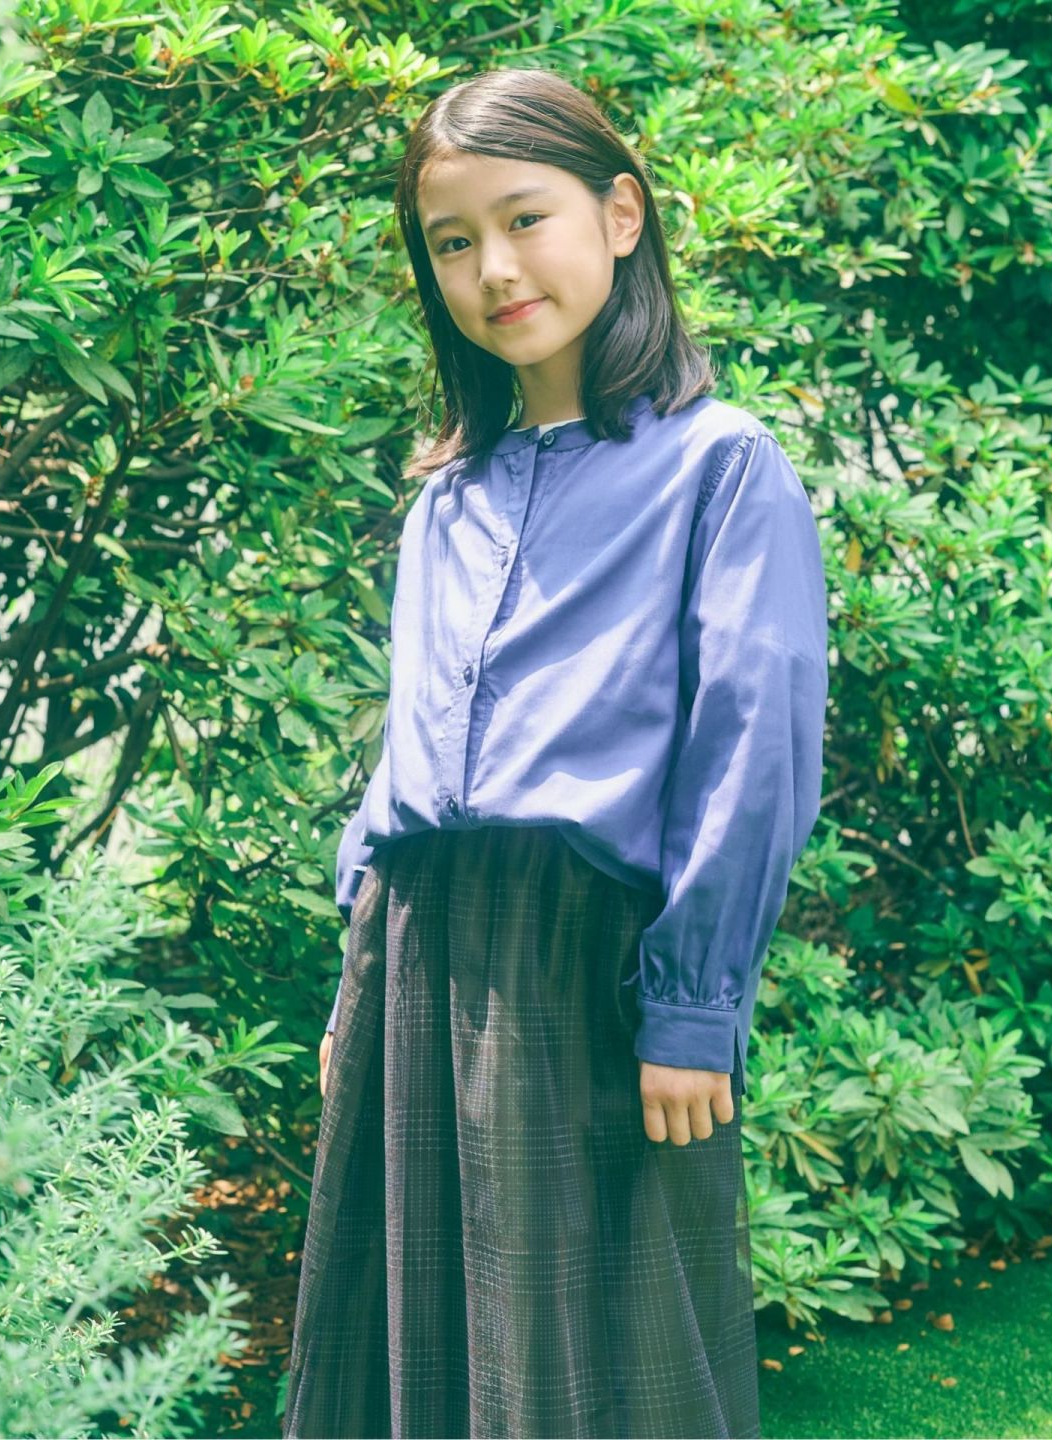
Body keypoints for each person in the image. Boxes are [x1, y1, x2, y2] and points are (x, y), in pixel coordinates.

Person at [282, 64, 828, 1440]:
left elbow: (751, 743)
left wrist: (694, 1006)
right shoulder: (443, 502)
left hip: (588, 961)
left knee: (603, 1366)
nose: (495, 269)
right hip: (414, 949)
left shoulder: (721, 466)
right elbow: (404, 752)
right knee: (412, 1361)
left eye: (525, 218)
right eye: (452, 241)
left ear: (621, 216)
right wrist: (356, 983)